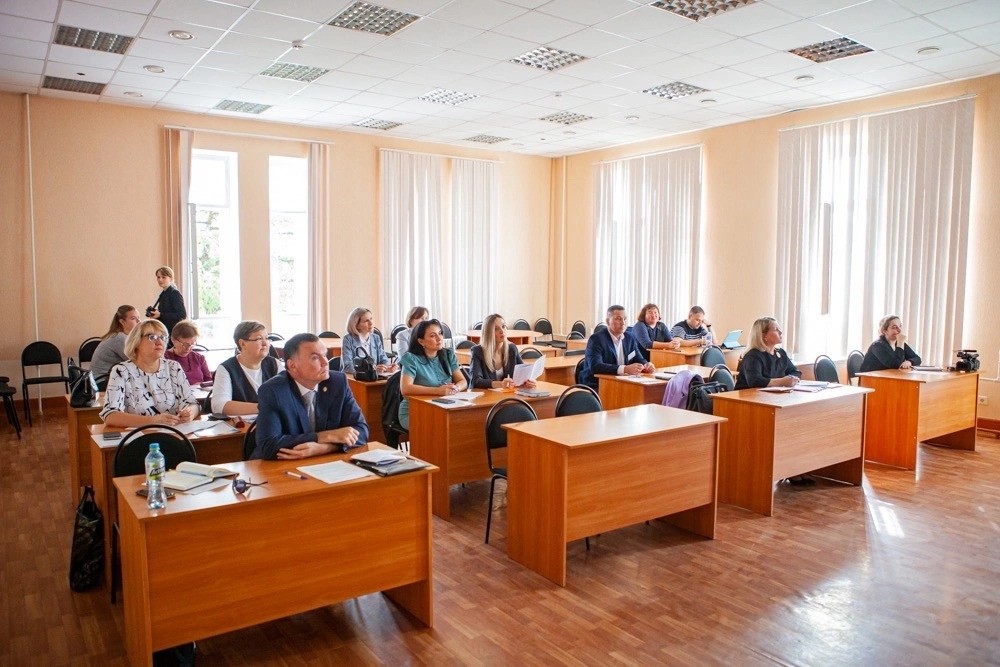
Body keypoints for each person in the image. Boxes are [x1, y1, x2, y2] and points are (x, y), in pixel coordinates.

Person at [253, 333, 368, 460]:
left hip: (325, 464)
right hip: (281, 468)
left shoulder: (338, 382)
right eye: (315, 358)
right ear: (292, 365)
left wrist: (325, 448)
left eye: (324, 355)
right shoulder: (273, 391)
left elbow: (361, 430)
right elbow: (268, 445)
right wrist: (324, 436)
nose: (325, 362)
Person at [99, 319, 200, 428]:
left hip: (175, 435)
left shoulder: (173, 367)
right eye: (152, 337)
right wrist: (152, 420)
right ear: (136, 342)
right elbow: (110, 415)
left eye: (162, 337)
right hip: (140, 437)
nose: (159, 342)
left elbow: (193, 403)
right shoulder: (121, 371)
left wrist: (190, 413)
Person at [398, 319, 467, 429]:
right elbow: (405, 388)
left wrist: (456, 388)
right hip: (415, 411)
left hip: (444, 407)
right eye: (432, 336)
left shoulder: (448, 355)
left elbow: (463, 381)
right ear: (421, 341)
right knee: (442, 426)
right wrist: (438, 391)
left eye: (440, 333)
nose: (439, 338)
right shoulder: (411, 358)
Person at [211, 320, 282, 415]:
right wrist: (264, 408)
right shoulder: (226, 369)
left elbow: (289, 395)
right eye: (259, 339)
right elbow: (219, 406)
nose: (265, 343)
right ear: (242, 344)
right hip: (242, 427)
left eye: (267, 338)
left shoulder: (275, 364)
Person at [580, 305, 655, 389]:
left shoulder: (630, 337)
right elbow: (596, 366)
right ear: (608, 321)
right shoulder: (596, 339)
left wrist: (646, 365)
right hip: (597, 385)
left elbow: (638, 358)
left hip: (622, 383)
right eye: (618, 319)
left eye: (625, 319)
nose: (623, 322)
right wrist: (625, 369)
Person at [470, 314, 537, 390]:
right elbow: (475, 382)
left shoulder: (512, 349)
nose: (502, 331)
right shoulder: (478, 351)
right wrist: (501, 384)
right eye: (496, 329)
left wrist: (528, 382)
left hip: (507, 396)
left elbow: (524, 374)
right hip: (486, 398)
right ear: (488, 333)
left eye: (503, 326)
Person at [734, 317, 801, 390]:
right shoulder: (753, 356)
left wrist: (791, 379)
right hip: (747, 397)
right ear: (764, 336)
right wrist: (782, 382)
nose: (780, 332)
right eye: (776, 329)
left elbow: (795, 371)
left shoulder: (780, 353)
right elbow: (755, 381)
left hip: (771, 397)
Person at [91, 305, 141, 390]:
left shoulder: (123, 336)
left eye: (139, 317)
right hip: (102, 381)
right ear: (122, 321)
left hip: (109, 379)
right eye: (133, 318)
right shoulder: (119, 337)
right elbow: (136, 361)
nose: (139, 321)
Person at [341, 307, 397, 375]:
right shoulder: (348, 339)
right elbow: (348, 366)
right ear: (356, 325)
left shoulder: (376, 338)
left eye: (371, 319)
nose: (371, 323)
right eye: (366, 321)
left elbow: (384, 359)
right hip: (354, 379)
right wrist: (373, 369)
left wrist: (388, 367)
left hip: (373, 379)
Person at [164, 319, 211, 386]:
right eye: (185, 344)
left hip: (199, 396)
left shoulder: (199, 358)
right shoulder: (164, 359)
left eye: (192, 344)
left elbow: (209, 382)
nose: (188, 348)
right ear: (173, 340)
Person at [148, 266, 187, 338]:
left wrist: (161, 315)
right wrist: (156, 315)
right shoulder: (164, 293)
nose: (160, 280)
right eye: (158, 277)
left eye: (163, 277)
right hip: (165, 331)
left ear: (171, 279)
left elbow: (182, 315)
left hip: (173, 333)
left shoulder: (174, 293)